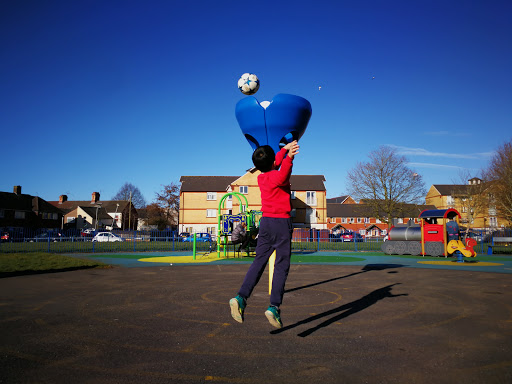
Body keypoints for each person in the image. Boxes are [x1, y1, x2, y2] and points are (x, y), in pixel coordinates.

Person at [229, 140, 299, 329]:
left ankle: (241, 297)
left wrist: (283, 151)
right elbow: (283, 172)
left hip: (266, 223)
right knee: (281, 265)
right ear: (272, 163)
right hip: (281, 224)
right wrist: (290, 157)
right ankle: (274, 306)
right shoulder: (278, 176)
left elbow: (275, 164)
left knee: (259, 261)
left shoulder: (261, 178)